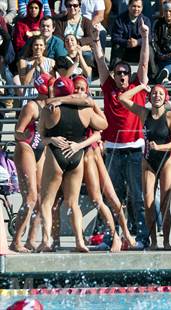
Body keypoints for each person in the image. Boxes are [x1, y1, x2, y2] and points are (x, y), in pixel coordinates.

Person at [92, 19, 151, 249]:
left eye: (126, 72)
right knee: (112, 196)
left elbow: (144, 65)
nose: (123, 76)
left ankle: (141, 237)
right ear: (114, 75)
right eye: (119, 73)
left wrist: (145, 37)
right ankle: (111, 236)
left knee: (137, 197)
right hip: (113, 151)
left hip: (134, 149)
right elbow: (99, 60)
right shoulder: (108, 88)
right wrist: (96, 39)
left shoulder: (137, 87)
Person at [37, 76, 108, 252]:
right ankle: (79, 241)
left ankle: (47, 240)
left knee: (46, 202)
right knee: (73, 203)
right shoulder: (85, 110)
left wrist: (51, 139)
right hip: (76, 156)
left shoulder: (48, 109)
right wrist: (92, 105)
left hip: (56, 155)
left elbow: (41, 137)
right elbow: (104, 124)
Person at [119, 83, 171, 250]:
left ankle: (166, 242)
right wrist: (141, 87)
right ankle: (153, 242)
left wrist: (159, 147)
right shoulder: (144, 113)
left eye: (160, 94)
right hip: (148, 162)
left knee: (165, 204)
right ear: (149, 97)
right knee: (148, 203)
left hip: (166, 161)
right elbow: (122, 98)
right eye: (154, 93)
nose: (157, 96)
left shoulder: (170, 116)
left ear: (165, 97)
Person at [9, 73, 54, 253]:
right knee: (31, 197)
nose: (55, 88)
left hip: (39, 150)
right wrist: (27, 136)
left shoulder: (49, 106)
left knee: (42, 198)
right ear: (44, 88)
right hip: (25, 148)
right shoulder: (31, 106)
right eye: (51, 86)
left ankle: (31, 239)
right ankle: (16, 241)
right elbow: (17, 132)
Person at [110, 0, 152, 69]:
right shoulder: (120, 19)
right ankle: (114, 73)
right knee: (116, 46)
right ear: (129, 6)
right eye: (134, 6)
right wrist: (127, 42)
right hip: (124, 50)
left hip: (139, 52)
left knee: (149, 48)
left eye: (139, 7)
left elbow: (149, 37)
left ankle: (153, 76)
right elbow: (115, 37)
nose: (136, 9)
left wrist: (137, 42)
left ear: (142, 8)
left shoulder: (146, 20)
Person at [17, 36, 55, 101]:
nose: (38, 47)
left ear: (44, 47)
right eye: (36, 45)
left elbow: (52, 81)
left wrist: (41, 67)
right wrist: (34, 66)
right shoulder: (23, 62)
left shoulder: (51, 61)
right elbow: (24, 83)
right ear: (32, 47)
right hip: (29, 95)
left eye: (41, 45)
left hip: (45, 95)